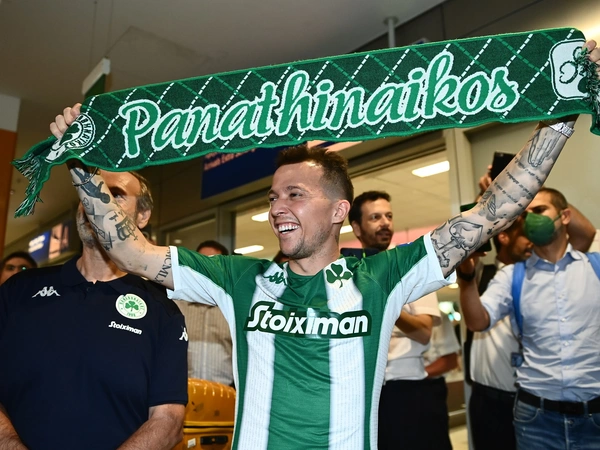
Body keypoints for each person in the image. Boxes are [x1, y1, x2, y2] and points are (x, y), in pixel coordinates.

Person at [50, 39, 600, 450]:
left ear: (339, 211)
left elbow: (489, 215)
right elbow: (131, 251)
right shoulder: (239, 279)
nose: (276, 207)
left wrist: (559, 119)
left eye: (295, 194)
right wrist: (81, 164)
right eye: (273, 196)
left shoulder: (383, 277)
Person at [0, 170, 188, 449]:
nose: (95, 200)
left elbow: (168, 422)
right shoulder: (18, 291)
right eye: (86, 190)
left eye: (115, 195)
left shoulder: (163, 312)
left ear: (143, 216)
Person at [457, 187, 600, 450]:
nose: (531, 217)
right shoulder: (512, 276)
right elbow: (478, 322)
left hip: (595, 416)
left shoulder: (595, 267)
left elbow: (588, 231)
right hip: (537, 419)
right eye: (525, 213)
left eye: (540, 210)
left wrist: (528, 182)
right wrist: (465, 275)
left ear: (565, 216)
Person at [345, 190, 452, 450]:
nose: (385, 223)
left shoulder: (412, 267)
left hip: (408, 392)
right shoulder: (348, 274)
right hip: (364, 394)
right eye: (375, 217)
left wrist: (384, 303)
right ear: (357, 227)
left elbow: (424, 332)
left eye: (389, 216)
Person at [174, 240, 234, 385]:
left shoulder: (233, 309)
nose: (204, 268)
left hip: (226, 393)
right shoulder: (176, 306)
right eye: (200, 262)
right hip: (182, 391)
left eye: (212, 263)